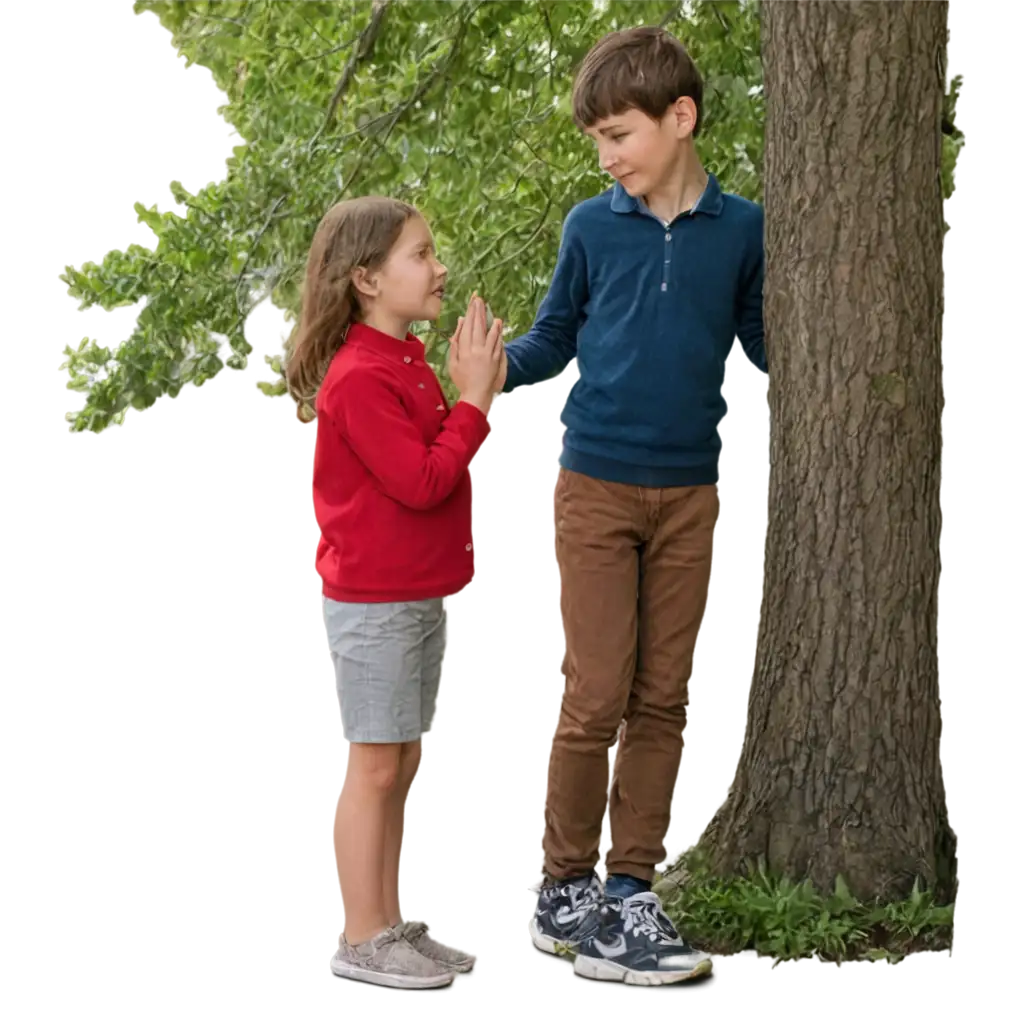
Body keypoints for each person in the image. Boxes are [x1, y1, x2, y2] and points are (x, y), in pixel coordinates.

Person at [497, 27, 766, 986]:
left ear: (680, 118)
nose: (607, 155)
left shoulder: (743, 229)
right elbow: (553, 338)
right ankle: (561, 887)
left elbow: (759, 337)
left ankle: (628, 889)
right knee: (598, 692)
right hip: (599, 482)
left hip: (693, 484)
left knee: (664, 697)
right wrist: (495, 372)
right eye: (598, 141)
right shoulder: (590, 226)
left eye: (618, 133)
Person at [286, 196, 505, 990]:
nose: (439, 266)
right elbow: (421, 481)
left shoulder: (405, 359)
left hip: (415, 595)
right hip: (375, 603)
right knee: (372, 768)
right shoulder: (358, 377)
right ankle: (359, 935)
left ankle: (379, 922)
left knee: (398, 763)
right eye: (421, 254)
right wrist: (475, 399)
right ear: (367, 279)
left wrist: (462, 387)